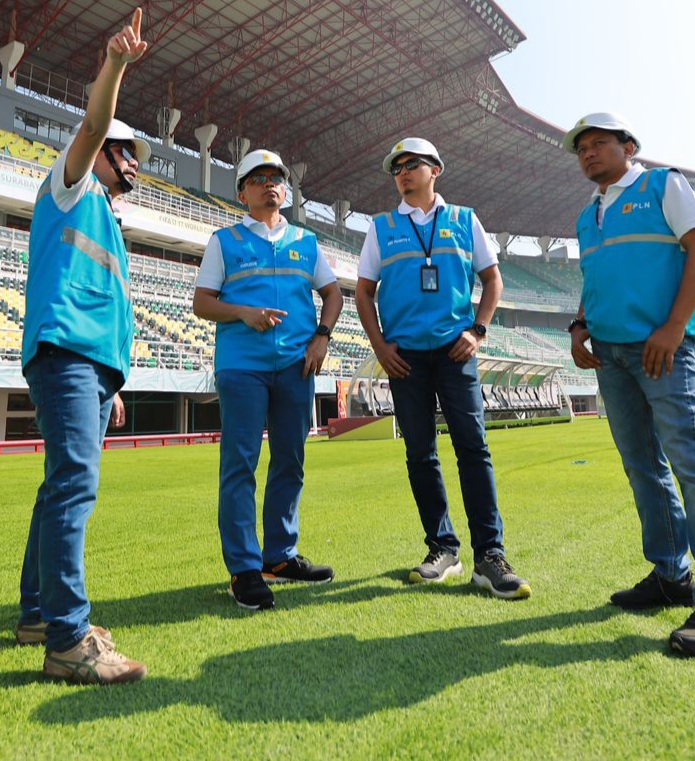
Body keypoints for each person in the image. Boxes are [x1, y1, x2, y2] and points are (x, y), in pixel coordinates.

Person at [564, 112, 695, 657]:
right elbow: (595, 279)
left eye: (599, 144)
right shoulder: (588, 215)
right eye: (580, 149)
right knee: (641, 465)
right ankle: (671, 574)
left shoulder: (663, 184)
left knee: (691, 462)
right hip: (611, 354)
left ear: (629, 146)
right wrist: (579, 326)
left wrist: (674, 328)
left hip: (663, 349)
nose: (588, 154)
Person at [13, 8, 150, 685]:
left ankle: (38, 611)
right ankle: (68, 636)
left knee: (58, 489)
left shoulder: (107, 220)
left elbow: (109, 305)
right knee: (74, 487)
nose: (130, 162)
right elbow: (94, 124)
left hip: (91, 364)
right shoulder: (71, 186)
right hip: (66, 353)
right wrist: (116, 63)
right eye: (124, 151)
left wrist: (115, 381)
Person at [354, 137, 531, 600]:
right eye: (397, 167)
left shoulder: (465, 220)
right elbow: (362, 292)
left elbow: (492, 280)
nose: (403, 172)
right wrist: (379, 347)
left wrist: (478, 331)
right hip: (404, 357)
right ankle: (442, 548)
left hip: (456, 352)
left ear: (436, 170)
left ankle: (489, 556)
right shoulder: (382, 227)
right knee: (420, 454)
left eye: (412, 164)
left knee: (473, 450)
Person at [192, 149, 344, 610]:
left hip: (297, 367)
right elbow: (202, 302)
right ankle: (243, 568)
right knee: (240, 465)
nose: (269, 183)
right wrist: (243, 312)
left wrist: (322, 337)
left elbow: (334, 294)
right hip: (242, 366)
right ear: (242, 193)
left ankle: (279, 557)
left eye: (276, 177)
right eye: (257, 179)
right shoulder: (225, 241)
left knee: (290, 462)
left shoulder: (307, 241)